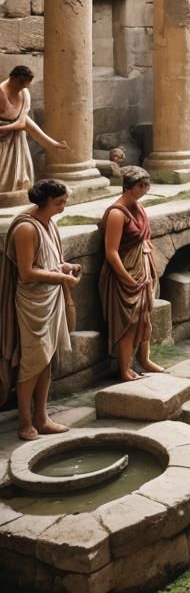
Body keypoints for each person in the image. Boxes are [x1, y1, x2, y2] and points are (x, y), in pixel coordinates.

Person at [0, 179, 80, 440]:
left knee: (45, 361)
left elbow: (48, 261)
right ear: (44, 202)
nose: (63, 208)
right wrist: (63, 279)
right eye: (59, 203)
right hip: (33, 304)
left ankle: (42, 418)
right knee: (32, 363)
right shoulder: (26, 228)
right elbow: (27, 272)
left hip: (50, 298)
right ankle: (25, 423)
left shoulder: (48, 222)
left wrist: (65, 267)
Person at [99, 165, 163, 382]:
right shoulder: (117, 213)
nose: (146, 188)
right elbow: (111, 252)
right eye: (141, 185)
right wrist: (127, 279)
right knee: (129, 321)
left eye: (147, 184)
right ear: (128, 187)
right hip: (125, 272)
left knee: (145, 317)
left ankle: (144, 359)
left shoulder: (139, 207)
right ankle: (125, 368)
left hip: (143, 269)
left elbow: (145, 240)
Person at [0, 65, 68, 206]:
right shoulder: (1, 92)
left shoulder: (24, 93)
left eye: (26, 85)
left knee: (21, 179)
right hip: (2, 143)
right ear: (12, 78)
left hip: (16, 140)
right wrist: (11, 126)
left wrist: (53, 144)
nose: (23, 88)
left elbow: (25, 123)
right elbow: (21, 123)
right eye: (21, 84)